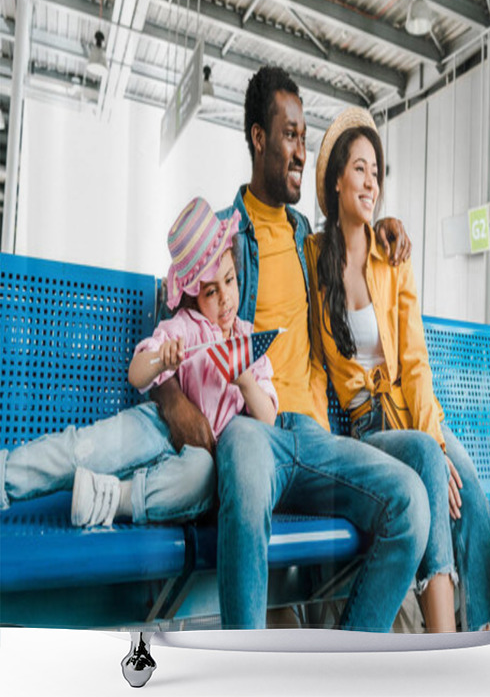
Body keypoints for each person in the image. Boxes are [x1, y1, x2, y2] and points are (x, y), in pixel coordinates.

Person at [150, 65, 430, 632]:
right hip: (253, 430)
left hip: (316, 436)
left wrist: (386, 225)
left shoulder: (310, 237)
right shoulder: (225, 236)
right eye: (289, 134)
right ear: (258, 137)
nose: (301, 149)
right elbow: (172, 327)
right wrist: (172, 398)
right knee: (248, 463)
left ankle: (339, 670)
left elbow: (358, 241)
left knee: (411, 502)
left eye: (304, 136)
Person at [306, 108, 490, 632]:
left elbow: (414, 359)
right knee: (426, 459)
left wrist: (435, 437)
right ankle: (443, 644)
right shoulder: (312, 255)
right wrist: (428, 450)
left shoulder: (392, 255)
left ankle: (487, 638)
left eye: (377, 172)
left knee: (474, 496)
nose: (371, 182)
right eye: (359, 169)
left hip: (411, 414)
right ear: (335, 182)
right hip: (367, 429)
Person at [0, 196, 277, 530]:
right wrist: (163, 360)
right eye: (210, 292)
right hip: (157, 426)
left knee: (200, 480)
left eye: (229, 281)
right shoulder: (184, 326)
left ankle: (112, 499)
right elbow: (136, 373)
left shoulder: (251, 340)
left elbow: (268, 419)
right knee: (86, 449)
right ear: (191, 294)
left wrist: (245, 379)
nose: (225, 299)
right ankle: (7, 475)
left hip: (203, 458)